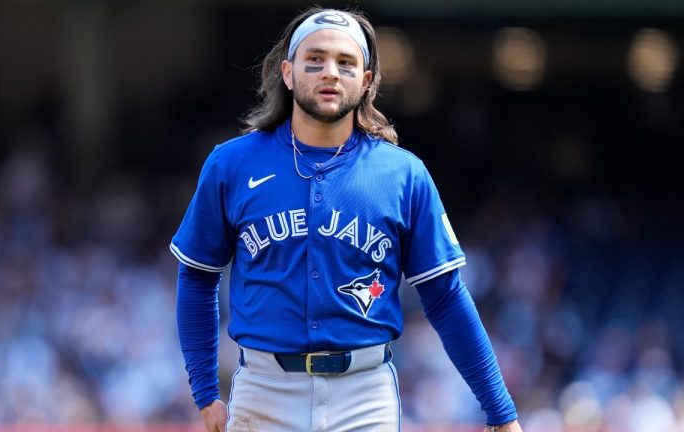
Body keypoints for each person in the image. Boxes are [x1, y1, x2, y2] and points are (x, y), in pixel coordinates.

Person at [170, 6, 523, 432]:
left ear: (367, 80)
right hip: (264, 390)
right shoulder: (232, 164)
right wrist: (206, 391)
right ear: (287, 71)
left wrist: (500, 411)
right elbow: (197, 276)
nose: (330, 73)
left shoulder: (402, 174)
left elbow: (445, 297)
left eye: (346, 62)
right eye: (314, 59)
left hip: (364, 393)